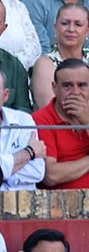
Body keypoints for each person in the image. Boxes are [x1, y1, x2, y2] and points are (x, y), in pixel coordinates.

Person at [37, 58, 89, 188]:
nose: (76, 92)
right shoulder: (42, 119)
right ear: (55, 88)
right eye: (67, 86)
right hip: (62, 203)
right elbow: (51, 175)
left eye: (82, 85)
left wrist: (87, 122)